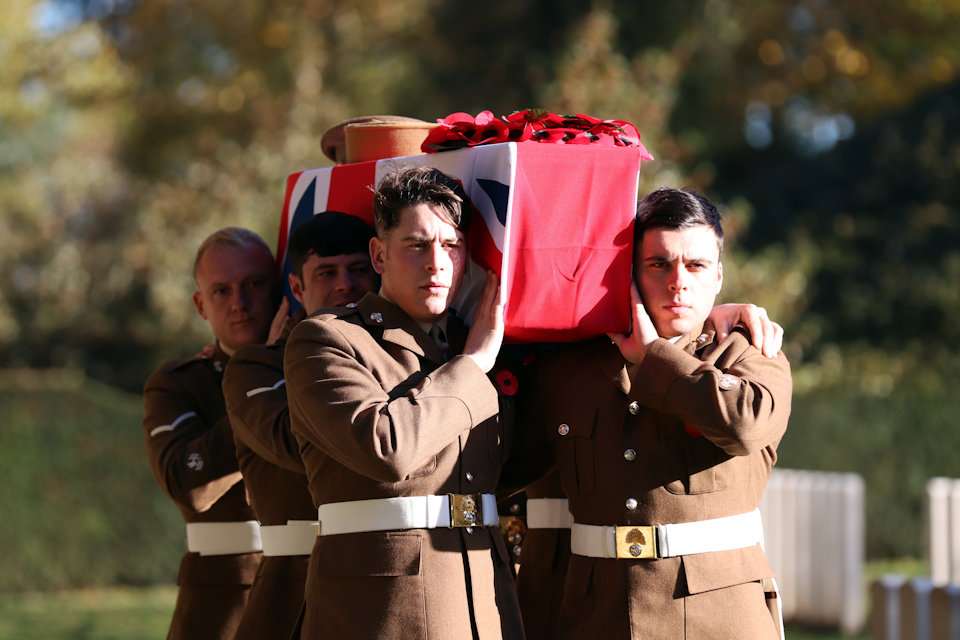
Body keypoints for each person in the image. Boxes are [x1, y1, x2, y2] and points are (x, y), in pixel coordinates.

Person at [520, 188, 792, 639]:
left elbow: (744, 426)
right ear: (631, 270)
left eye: (696, 265)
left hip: (718, 617)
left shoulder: (750, 351)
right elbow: (509, 463)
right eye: (659, 263)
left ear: (719, 276)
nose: (678, 281)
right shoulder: (569, 366)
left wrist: (651, 356)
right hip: (596, 613)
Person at [284, 165, 523, 639]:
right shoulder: (325, 339)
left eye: (451, 246)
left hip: (481, 595)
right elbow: (387, 449)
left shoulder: (469, 340)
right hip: (381, 611)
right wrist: (474, 364)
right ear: (379, 254)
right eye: (416, 245)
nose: (436, 263)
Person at [221, 212, 380, 640]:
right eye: (327, 272)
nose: (346, 283)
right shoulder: (255, 368)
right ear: (296, 288)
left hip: (386, 580)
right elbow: (297, 444)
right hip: (290, 595)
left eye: (358, 268)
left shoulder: (401, 354)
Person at [142, 227, 280, 640]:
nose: (240, 303)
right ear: (201, 305)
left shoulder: (317, 368)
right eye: (221, 291)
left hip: (319, 590)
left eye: (255, 284)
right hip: (224, 606)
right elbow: (188, 485)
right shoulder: (180, 383)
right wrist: (260, 385)